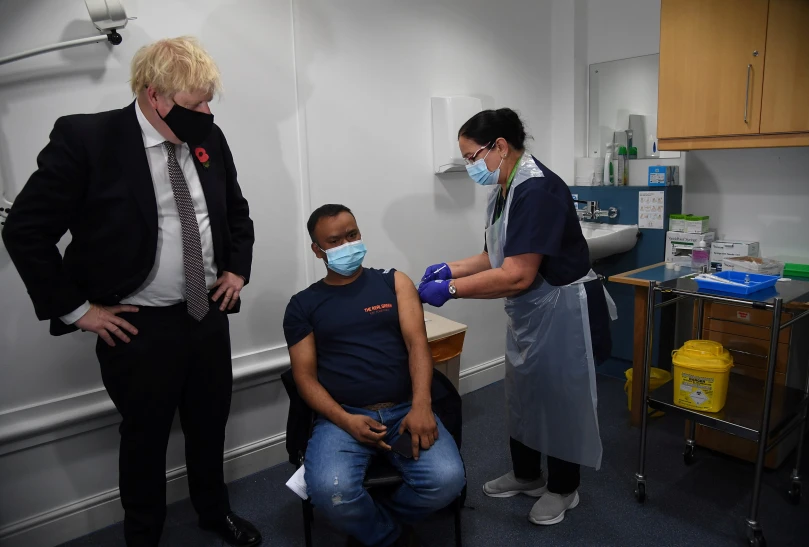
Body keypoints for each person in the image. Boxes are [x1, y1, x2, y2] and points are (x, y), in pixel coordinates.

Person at [2, 37, 260, 547]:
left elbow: (234, 210)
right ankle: (144, 535)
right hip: (138, 327)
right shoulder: (88, 139)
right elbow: (25, 230)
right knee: (145, 438)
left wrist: (237, 269)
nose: (206, 114)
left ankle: (214, 513)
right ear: (153, 94)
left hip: (207, 313)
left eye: (209, 102)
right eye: (193, 105)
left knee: (209, 425)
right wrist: (78, 310)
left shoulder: (209, 138)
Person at [417, 108, 615, 527]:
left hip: (561, 306)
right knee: (524, 394)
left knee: (560, 400)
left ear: (500, 146)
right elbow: (494, 255)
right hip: (532, 310)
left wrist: (450, 290)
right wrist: (449, 268)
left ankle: (564, 488)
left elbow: (517, 274)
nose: (471, 166)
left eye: (472, 157)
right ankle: (527, 475)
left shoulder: (537, 190)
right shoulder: (504, 188)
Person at [284, 204, 466, 547]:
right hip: (343, 417)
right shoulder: (303, 305)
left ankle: (377, 524)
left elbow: (417, 345)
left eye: (352, 234)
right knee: (330, 492)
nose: (347, 245)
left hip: (406, 409)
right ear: (317, 250)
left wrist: (422, 405)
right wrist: (346, 420)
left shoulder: (394, 283)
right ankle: (390, 537)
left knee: (447, 481)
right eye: (334, 241)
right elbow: (304, 378)